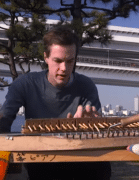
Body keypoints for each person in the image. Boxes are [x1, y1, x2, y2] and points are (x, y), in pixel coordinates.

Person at [0, 26, 111, 180]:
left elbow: (99, 133)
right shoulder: (25, 84)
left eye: (70, 61)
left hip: (80, 157)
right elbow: (3, 122)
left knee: (102, 167)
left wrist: (91, 125)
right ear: (45, 57)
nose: (64, 68)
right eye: (57, 61)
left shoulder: (86, 85)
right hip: (42, 158)